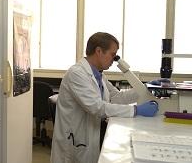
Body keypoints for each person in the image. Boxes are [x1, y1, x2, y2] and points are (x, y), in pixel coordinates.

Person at [50, 32, 158, 163]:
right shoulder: (76, 74)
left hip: (91, 135)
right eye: (112, 55)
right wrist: (136, 110)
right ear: (99, 51)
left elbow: (117, 97)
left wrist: (146, 87)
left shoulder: (99, 75)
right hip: (75, 140)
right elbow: (97, 107)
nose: (114, 60)